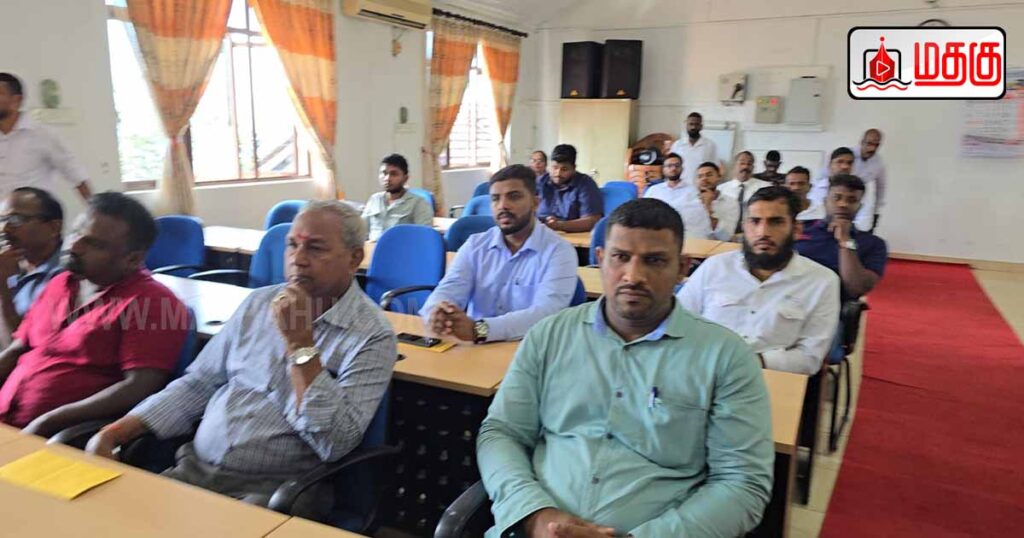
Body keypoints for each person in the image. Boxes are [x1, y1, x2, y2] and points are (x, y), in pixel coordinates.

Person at [477, 198, 774, 537]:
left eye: (654, 260)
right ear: (600, 260)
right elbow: (502, 432)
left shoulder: (726, 357)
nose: (634, 276)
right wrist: (533, 514)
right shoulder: (549, 335)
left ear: (682, 268)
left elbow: (742, 483)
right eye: (620, 257)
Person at [87, 201, 397, 517]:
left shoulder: (372, 335)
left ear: (354, 258)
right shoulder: (258, 304)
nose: (298, 259)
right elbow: (198, 384)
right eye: (292, 245)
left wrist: (300, 345)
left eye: (316, 249)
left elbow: (334, 442)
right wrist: (114, 432)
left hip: (277, 492)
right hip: (194, 470)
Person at [0, 192, 186, 435]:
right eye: (76, 233)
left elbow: (139, 387)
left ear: (132, 259)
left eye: (94, 244)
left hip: (60, 437)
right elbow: (18, 348)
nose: (74, 246)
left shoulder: (153, 303)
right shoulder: (60, 283)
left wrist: (49, 421)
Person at [679, 187, 839, 375]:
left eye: (776, 222)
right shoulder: (715, 267)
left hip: (769, 378)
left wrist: (749, 362)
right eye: (755, 221)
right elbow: (678, 322)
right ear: (744, 227)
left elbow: (809, 358)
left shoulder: (822, 282)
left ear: (796, 230)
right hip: (701, 371)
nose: (763, 232)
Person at [420, 164, 577, 343]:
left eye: (514, 196)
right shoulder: (475, 245)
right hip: (475, 348)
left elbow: (546, 314)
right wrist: (437, 312)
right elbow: (448, 289)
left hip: (529, 349)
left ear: (535, 203)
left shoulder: (559, 251)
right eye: (495, 199)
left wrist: (479, 329)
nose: (503, 206)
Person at [0, 73, 92, 200]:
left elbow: (75, 175)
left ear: (17, 100)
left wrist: (95, 209)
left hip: (36, 211)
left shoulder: (43, 135)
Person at [797, 175, 888, 302]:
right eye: (836, 198)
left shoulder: (873, 244)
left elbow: (856, 288)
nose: (843, 204)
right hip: (790, 297)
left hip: (832, 305)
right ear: (825, 202)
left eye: (852, 200)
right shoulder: (800, 228)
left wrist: (845, 240)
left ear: (859, 207)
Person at [0, 187, 65, 344]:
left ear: (53, 228)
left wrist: (4, 289)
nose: (4, 229)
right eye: (2, 220)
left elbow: (30, 348)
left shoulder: (64, 277)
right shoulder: (13, 265)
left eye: (15, 220)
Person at [361, 153, 433, 241]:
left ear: (405, 178)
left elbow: (424, 238)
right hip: (372, 248)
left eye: (394, 174)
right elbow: (361, 231)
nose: (387, 178)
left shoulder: (419, 204)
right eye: (384, 173)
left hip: (402, 249)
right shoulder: (374, 199)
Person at [536, 144, 604, 233]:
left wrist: (559, 225)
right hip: (540, 233)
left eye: (564, 169)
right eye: (555, 167)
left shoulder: (585, 184)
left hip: (573, 237)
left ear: (574, 168)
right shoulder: (540, 182)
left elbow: (592, 220)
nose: (558, 173)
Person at [674, 161, 739, 241]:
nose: (704, 179)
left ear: (719, 177)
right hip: (687, 244)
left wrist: (708, 207)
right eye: (700, 176)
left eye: (709, 175)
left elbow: (726, 237)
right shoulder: (686, 200)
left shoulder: (731, 203)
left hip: (714, 246)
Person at [717, 151, 773, 233]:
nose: (745, 167)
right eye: (742, 163)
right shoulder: (721, 189)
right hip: (725, 233)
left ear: (753, 167)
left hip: (755, 233)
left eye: (749, 164)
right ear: (734, 166)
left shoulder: (766, 187)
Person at [668, 112, 722, 185]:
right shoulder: (677, 145)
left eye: (696, 124)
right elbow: (670, 166)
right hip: (680, 186)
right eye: (691, 124)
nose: (693, 127)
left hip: (702, 186)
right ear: (686, 125)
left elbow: (715, 168)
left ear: (701, 126)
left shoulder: (710, 145)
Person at [853, 129, 886, 230]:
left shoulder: (878, 164)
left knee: (862, 233)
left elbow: (881, 188)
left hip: (860, 202)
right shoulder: (847, 155)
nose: (872, 148)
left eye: (876, 145)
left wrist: (876, 212)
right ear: (862, 142)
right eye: (869, 143)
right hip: (840, 201)